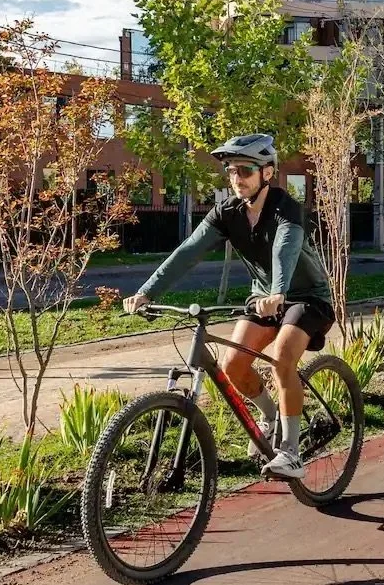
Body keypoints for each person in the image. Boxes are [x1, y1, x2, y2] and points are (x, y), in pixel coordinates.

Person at [122, 133, 332, 481]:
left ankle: (291, 452)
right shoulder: (228, 212)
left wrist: (279, 292)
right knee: (232, 364)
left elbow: (285, 249)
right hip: (264, 298)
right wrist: (147, 291)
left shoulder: (286, 208)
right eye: (232, 171)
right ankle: (268, 417)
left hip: (306, 297)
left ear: (267, 173)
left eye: (245, 170)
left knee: (282, 357)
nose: (237, 178)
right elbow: (189, 251)